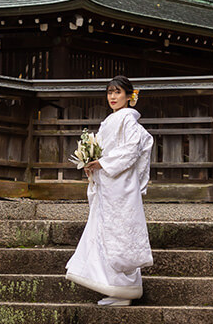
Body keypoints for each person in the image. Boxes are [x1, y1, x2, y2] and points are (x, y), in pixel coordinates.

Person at [65, 75, 155, 306]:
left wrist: (103, 163)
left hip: (121, 185)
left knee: (120, 234)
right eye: (109, 92)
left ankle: (123, 288)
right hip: (108, 183)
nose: (113, 97)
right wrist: (92, 165)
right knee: (106, 232)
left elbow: (132, 150)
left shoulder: (128, 120)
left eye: (117, 92)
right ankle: (118, 288)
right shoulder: (111, 120)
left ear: (129, 95)